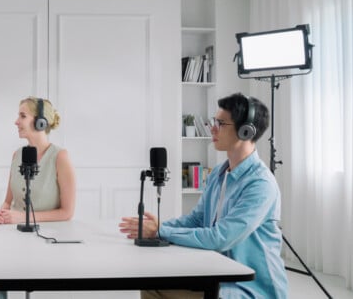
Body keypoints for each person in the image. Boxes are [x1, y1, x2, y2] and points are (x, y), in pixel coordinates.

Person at [119, 93, 288, 299]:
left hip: (250, 289)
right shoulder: (218, 173)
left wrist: (160, 231)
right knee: (151, 281)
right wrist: (160, 226)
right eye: (213, 121)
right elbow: (197, 219)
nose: (212, 128)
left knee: (155, 288)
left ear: (245, 131)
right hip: (216, 273)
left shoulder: (260, 184)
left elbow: (220, 238)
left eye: (221, 123)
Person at [0, 97, 76, 299]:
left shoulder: (60, 157)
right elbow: (8, 201)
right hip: (12, 234)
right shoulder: (17, 155)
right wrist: (1, 213)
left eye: (22, 116)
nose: (16, 121)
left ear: (40, 122)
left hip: (44, 238)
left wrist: (21, 217)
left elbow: (67, 212)